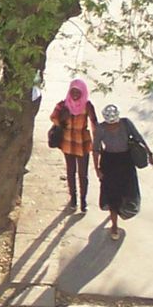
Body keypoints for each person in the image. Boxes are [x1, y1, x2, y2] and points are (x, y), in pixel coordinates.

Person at [94, 103, 151, 241]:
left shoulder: (126, 124)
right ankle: (114, 224)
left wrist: (149, 153)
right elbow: (95, 150)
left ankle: (122, 211)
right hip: (109, 163)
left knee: (128, 191)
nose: (112, 125)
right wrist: (97, 170)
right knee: (112, 195)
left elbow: (138, 138)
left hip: (126, 162)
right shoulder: (101, 129)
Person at [50, 78, 99, 213]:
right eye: (73, 91)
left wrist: (98, 142)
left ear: (83, 92)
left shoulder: (87, 105)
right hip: (67, 142)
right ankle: (73, 199)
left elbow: (94, 123)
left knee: (83, 174)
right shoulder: (63, 105)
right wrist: (61, 119)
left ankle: (83, 200)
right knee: (70, 172)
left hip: (82, 142)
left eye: (78, 92)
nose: (75, 94)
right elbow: (53, 117)